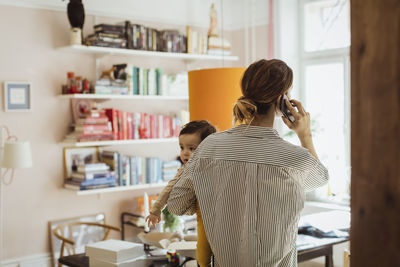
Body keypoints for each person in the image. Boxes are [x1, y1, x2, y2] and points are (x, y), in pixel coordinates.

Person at [167, 59, 329, 267]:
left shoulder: (209, 147)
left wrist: (212, 201)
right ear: (282, 100)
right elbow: (320, 179)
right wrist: (305, 135)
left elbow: (177, 205)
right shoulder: (293, 157)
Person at [145, 120, 217, 267]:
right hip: (203, 218)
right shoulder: (185, 169)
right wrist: (156, 209)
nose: (185, 152)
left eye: (192, 148)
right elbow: (169, 187)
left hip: (222, 215)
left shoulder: (217, 164)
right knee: (203, 255)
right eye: (182, 147)